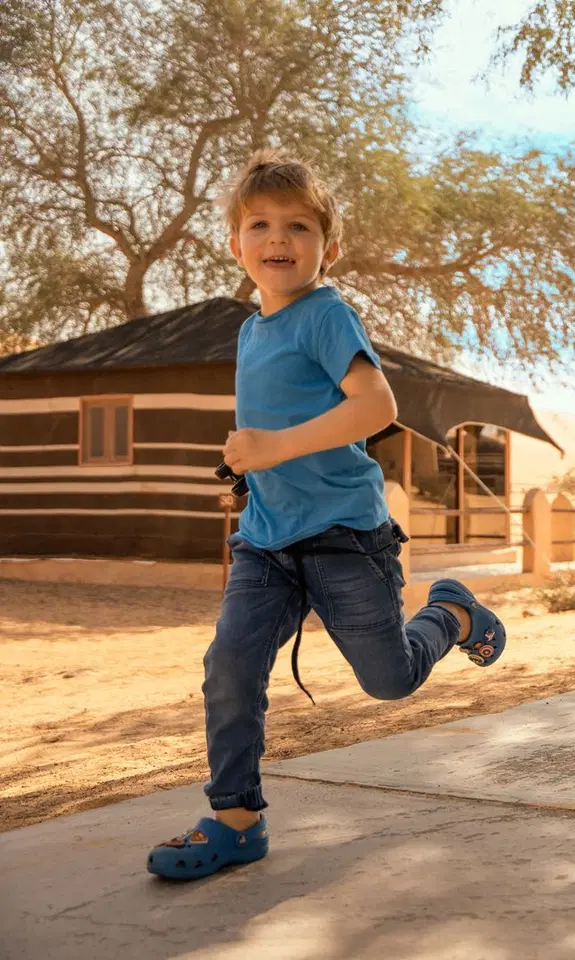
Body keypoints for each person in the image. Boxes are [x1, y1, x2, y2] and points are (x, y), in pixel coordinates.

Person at [147, 150, 506, 880]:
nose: (279, 238)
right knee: (230, 666)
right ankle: (236, 820)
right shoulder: (251, 329)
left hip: (344, 537)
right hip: (266, 542)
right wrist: (250, 462)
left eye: (299, 226)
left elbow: (376, 406)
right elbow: (279, 419)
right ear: (236, 244)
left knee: (390, 680)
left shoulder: (326, 314)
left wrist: (275, 446)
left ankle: (452, 614)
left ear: (328, 248)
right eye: (260, 225)